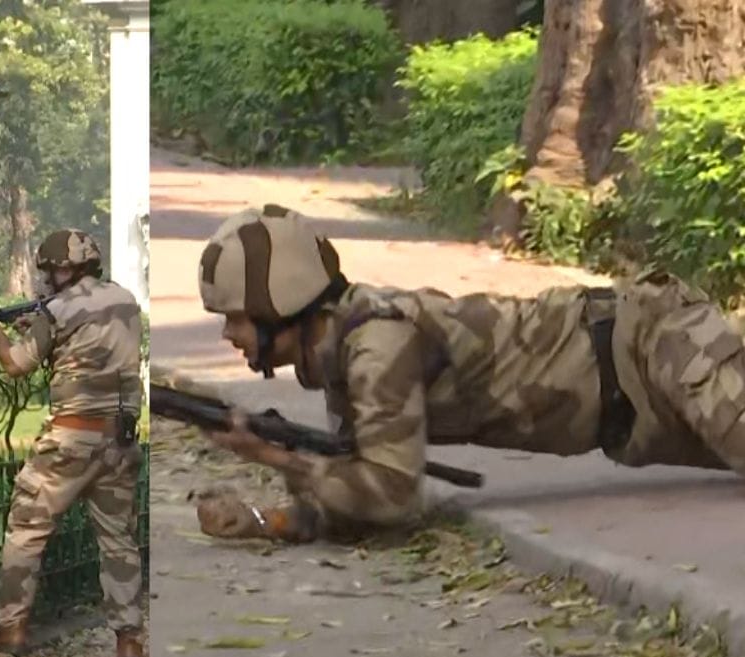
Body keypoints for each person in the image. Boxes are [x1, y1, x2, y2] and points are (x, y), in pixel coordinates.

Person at [188, 203, 745, 542]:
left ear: (279, 302)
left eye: (235, 318)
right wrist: (263, 522)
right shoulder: (344, 358)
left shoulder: (377, 342)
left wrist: (274, 457)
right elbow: (362, 503)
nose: (227, 335)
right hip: (635, 413)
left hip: (650, 340)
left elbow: (391, 493)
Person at [0, 229, 147, 657]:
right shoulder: (126, 300)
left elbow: (15, 366)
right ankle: (129, 640)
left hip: (70, 439)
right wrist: (44, 327)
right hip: (121, 439)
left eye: (51, 271)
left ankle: (9, 626)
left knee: (27, 527)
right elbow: (93, 342)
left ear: (64, 269)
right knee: (118, 539)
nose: (48, 280)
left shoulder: (57, 309)